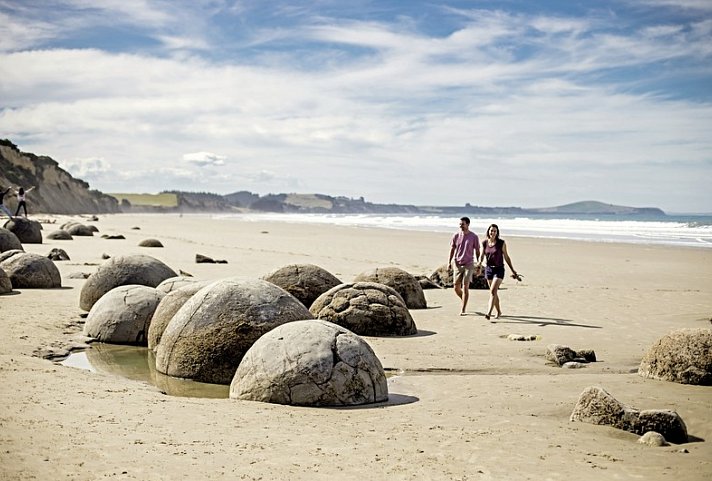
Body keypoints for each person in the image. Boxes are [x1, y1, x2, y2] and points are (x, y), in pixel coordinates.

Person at [477, 224, 520, 320]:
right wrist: (479, 263)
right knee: (494, 293)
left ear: (497, 233)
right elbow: (481, 255)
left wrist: (513, 270)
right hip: (489, 269)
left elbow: (506, 257)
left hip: (499, 269)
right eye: (491, 230)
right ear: (488, 231)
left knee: (492, 291)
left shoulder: (501, 243)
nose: (493, 233)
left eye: (495, 231)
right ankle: (499, 311)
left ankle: (488, 313)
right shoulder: (484, 243)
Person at [448, 217, 481, 316]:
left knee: (466, 286)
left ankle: (463, 309)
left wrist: (478, 263)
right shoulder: (456, 236)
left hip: (469, 264)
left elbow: (478, 251)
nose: (461, 226)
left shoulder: (474, 236)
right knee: (456, 287)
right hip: (458, 263)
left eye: (462, 224)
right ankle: (463, 298)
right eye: (460, 224)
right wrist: (449, 262)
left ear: (468, 224)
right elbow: (452, 249)